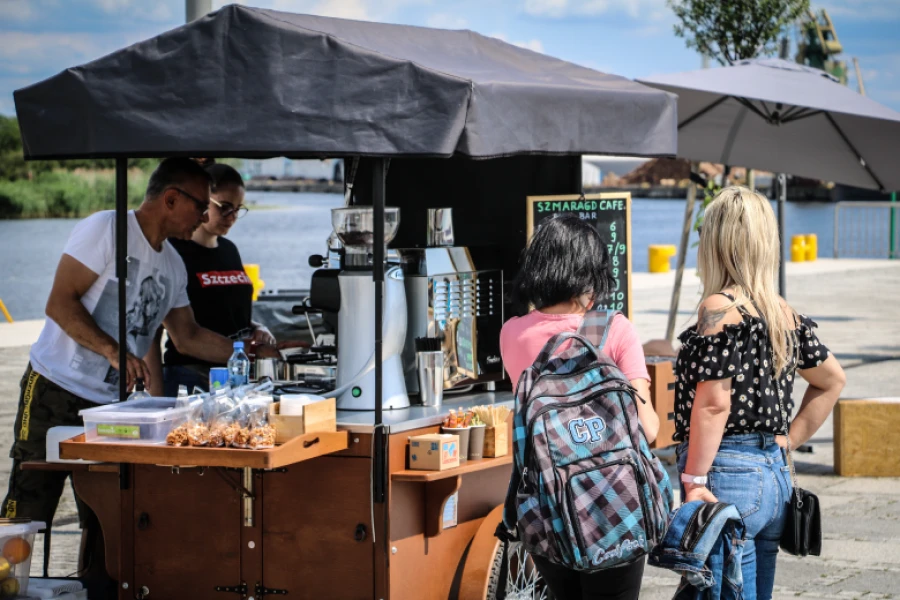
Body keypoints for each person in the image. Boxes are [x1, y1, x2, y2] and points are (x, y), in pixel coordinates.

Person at [2, 157, 275, 529]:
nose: (203, 216)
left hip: (111, 409)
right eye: (201, 205)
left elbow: (188, 336)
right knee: (28, 511)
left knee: (108, 520)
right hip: (55, 388)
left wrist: (253, 354)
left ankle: (96, 585)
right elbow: (59, 303)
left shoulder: (174, 266)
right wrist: (114, 351)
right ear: (171, 199)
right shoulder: (107, 229)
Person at [674, 186, 846, 600]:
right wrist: (788, 441)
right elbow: (832, 379)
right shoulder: (781, 312)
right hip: (774, 478)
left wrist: (694, 479)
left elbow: (715, 403)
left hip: (729, 472)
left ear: (716, 241)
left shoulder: (718, 308)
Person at [499, 214, 659, 600]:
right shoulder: (614, 329)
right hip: (614, 508)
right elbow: (648, 429)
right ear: (592, 272)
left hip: (547, 506)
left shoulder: (512, 333)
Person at [147, 163, 275, 396]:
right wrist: (155, 399)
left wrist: (257, 328)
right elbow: (170, 335)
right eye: (224, 207)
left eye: (238, 209)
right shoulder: (173, 252)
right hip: (190, 377)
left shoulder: (229, 250)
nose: (232, 217)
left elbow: (227, 310)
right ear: (204, 200)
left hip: (236, 374)